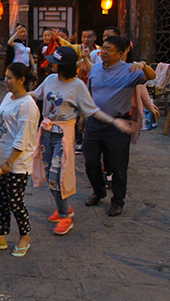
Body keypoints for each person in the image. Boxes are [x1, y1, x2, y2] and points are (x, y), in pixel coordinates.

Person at [31, 46, 132, 235]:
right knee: (49, 173)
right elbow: (36, 94)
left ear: (65, 66)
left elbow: (93, 110)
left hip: (63, 135)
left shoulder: (78, 86)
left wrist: (114, 122)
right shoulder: (50, 79)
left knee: (56, 177)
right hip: (46, 133)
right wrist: (15, 94)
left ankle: (65, 216)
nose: (52, 65)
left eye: (56, 63)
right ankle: (64, 208)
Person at [83, 36, 156, 216]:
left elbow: (151, 76)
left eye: (108, 49)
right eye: (103, 48)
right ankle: (99, 191)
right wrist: (84, 117)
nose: (103, 52)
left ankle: (117, 201)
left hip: (118, 124)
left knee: (118, 166)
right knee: (90, 161)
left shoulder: (130, 70)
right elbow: (91, 93)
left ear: (120, 53)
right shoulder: (96, 68)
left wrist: (143, 65)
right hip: (95, 122)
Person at [0, 63, 39, 257]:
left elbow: (23, 138)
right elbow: (2, 120)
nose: (6, 81)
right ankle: (0, 236)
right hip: (0, 159)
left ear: (22, 80)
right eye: (6, 76)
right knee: (0, 200)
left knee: (15, 202)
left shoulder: (28, 105)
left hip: (16, 164)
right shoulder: (8, 97)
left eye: (10, 77)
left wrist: (9, 163)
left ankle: (25, 237)